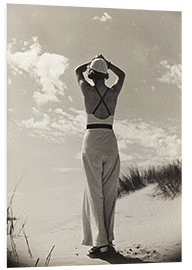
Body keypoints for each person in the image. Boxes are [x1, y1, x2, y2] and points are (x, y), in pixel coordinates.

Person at [75, 54, 125, 257]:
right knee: (110, 192)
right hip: (110, 140)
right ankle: (107, 241)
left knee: (94, 192)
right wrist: (108, 62)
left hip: (92, 139)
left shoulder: (87, 89)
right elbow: (122, 76)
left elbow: (78, 71)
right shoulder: (113, 92)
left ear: (92, 74)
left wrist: (91, 61)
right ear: (105, 76)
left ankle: (100, 243)